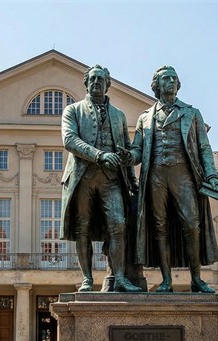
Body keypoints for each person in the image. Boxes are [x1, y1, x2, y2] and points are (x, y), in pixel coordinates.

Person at [128, 65, 218, 293]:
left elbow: (203, 147)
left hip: (183, 174)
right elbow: (137, 150)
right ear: (156, 85)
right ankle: (166, 280)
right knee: (159, 226)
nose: (171, 81)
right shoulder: (145, 117)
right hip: (155, 176)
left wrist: (211, 174)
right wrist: (127, 156)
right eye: (166, 78)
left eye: (174, 78)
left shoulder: (192, 113)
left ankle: (196, 279)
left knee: (192, 224)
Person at [60, 64, 142, 293]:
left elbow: (126, 148)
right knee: (82, 228)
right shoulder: (73, 110)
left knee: (118, 225)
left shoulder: (119, 115)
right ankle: (87, 279)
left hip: (112, 179)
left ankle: (120, 278)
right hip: (82, 177)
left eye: (101, 79)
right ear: (86, 83)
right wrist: (99, 155)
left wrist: (131, 177)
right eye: (93, 79)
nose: (96, 82)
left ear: (108, 84)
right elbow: (69, 140)